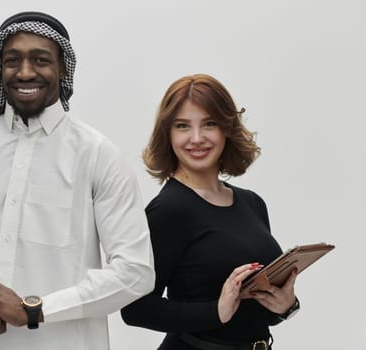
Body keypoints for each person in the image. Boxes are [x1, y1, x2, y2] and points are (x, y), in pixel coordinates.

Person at [0, 11, 154, 350]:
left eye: (40, 60)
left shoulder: (96, 155)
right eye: (12, 60)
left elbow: (136, 272)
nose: (24, 72)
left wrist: (35, 311)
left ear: (63, 67)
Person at [120, 74, 300, 350]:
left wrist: (285, 305)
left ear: (226, 129)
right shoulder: (168, 211)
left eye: (209, 124)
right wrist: (215, 310)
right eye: (182, 126)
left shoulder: (252, 203)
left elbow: (253, 313)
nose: (196, 138)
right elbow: (135, 309)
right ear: (167, 134)